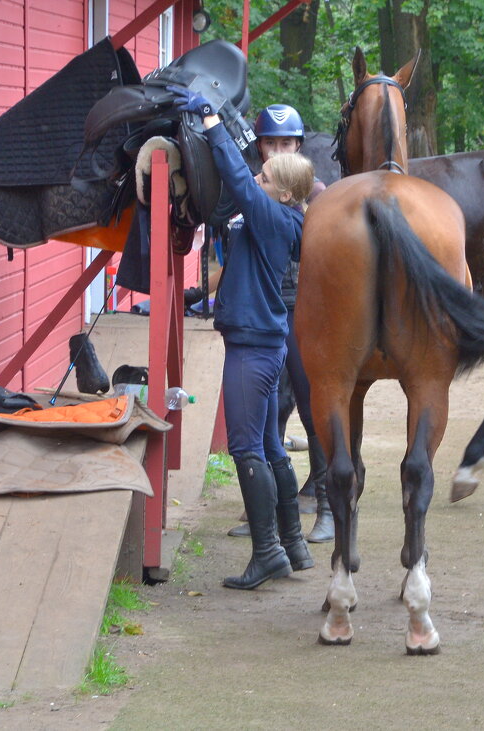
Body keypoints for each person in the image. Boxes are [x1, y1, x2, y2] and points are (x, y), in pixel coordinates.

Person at [169, 85, 315, 590]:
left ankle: (267, 551)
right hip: (264, 341)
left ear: (283, 191)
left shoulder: (272, 214)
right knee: (272, 445)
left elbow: (236, 175)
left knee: (245, 446)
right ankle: (293, 544)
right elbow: (242, 182)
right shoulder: (284, 216)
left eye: (267, 175)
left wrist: (210, 121)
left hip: (253, 346)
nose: (259, 173)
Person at [224, 104, 333, 544]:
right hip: (269, 309)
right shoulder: (254, 194)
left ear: (298, 149)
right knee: (275, 412)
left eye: (286, 144)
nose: (276, 151)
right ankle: (266, 514)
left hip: (301, 309)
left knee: (313, 404)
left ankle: (326, 505)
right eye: (271, 142)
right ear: (260, 145)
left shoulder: (314, 195)